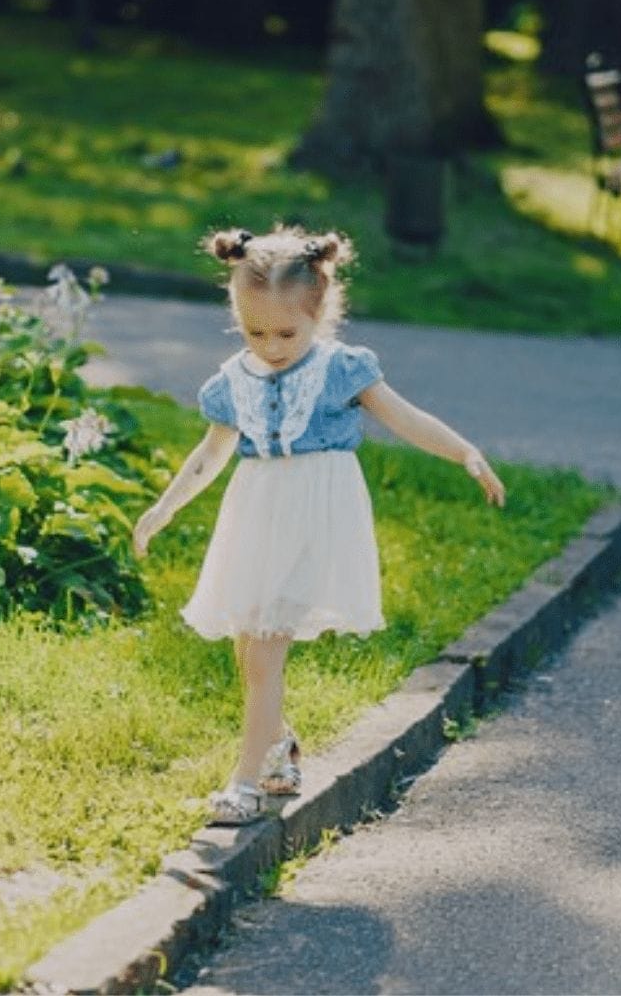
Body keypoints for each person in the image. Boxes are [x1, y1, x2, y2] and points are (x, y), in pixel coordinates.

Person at [131, 225, 507, 826]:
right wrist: (165, 506)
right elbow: (209, 453)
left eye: (287, 332)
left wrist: (464, 452)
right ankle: (277, 749)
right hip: (256, 511)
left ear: (320, 314)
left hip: (315, 513)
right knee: (249, 648)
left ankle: (246, 782)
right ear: (236, 314)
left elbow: (405, 418)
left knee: (265, 646)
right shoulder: (235, 378)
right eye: (256, 332)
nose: (272, 346)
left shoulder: (340, 369)